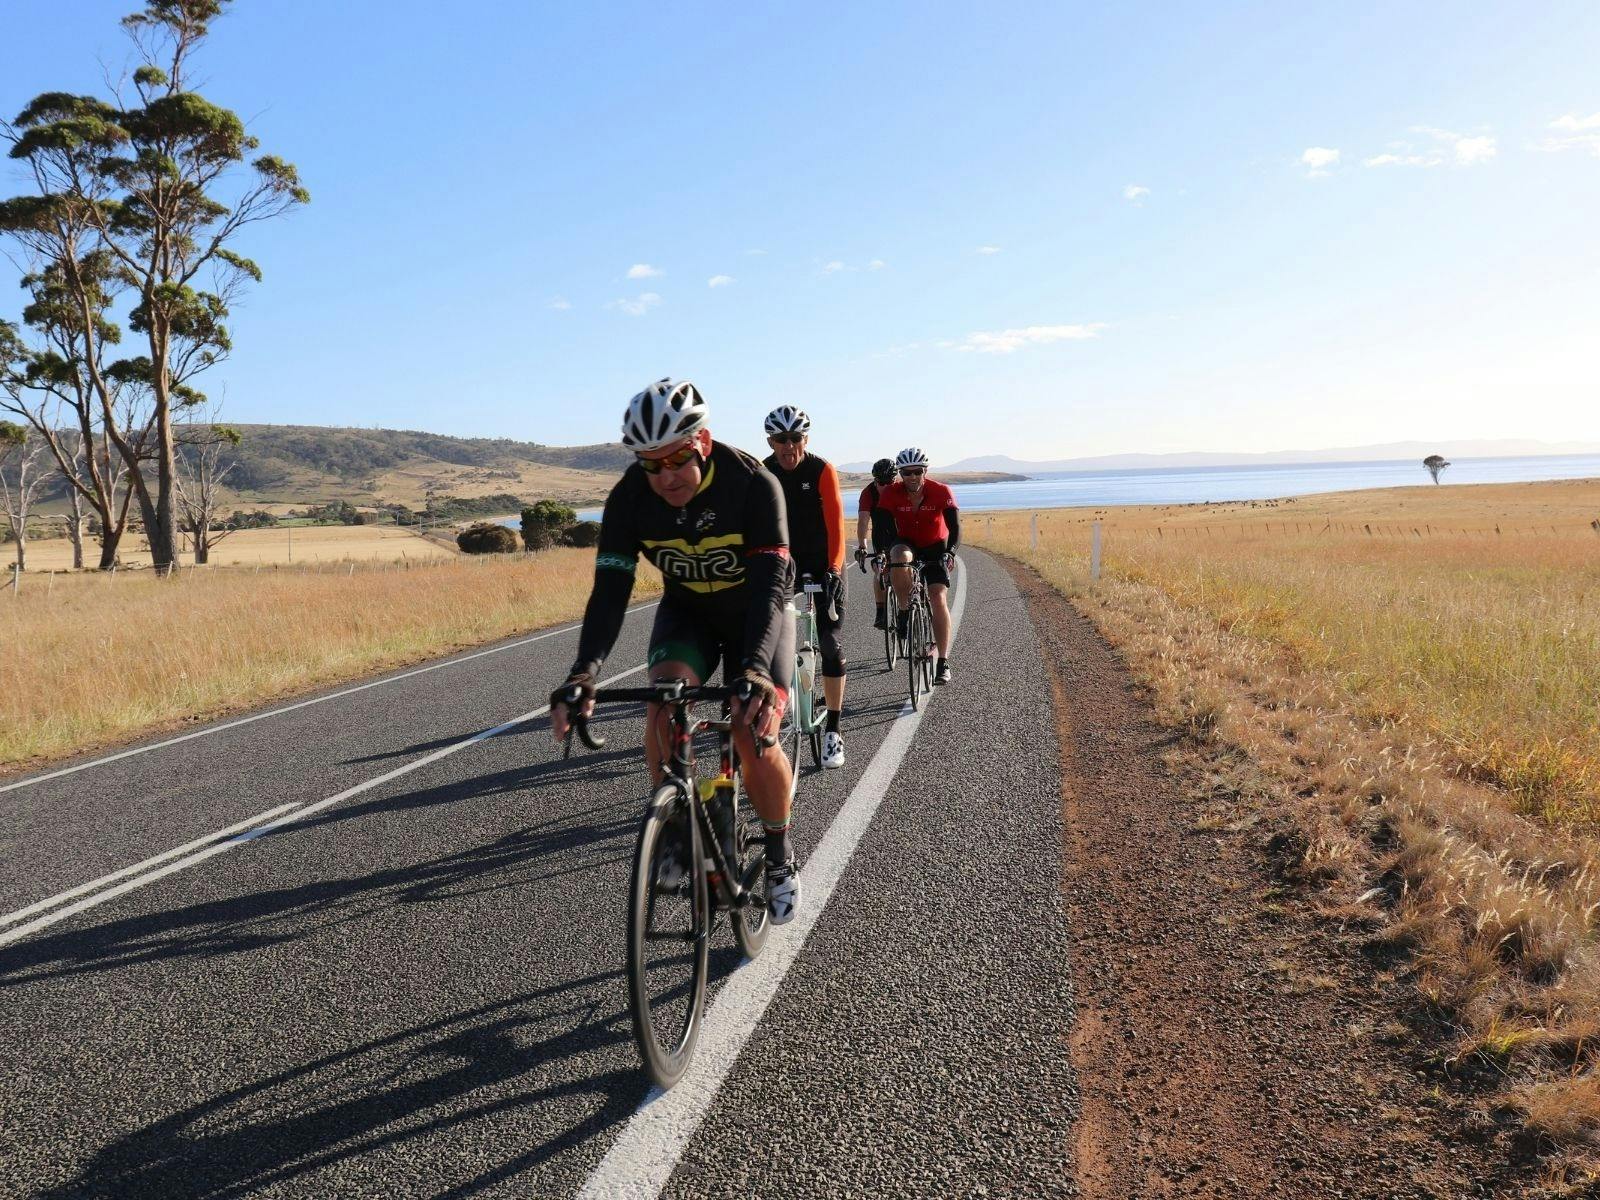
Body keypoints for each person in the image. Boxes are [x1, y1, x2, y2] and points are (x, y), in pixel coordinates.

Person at [550, 378, 802, 923]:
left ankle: (779, 856)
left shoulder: (753, 484)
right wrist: (584, 671)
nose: (666, 477)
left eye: (679, 460)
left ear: (703, 442)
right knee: (663, 705)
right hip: (688, 612)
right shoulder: (628, 499)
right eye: (651, 464)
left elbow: (768, 588)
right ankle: (672, 825)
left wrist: (756, 671)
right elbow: (610, 590)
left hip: (758, 616)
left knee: (752, 728)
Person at [761, 404, 848, 769]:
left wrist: (834, 569)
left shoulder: (821, 470)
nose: (788, 445)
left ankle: (832, 729)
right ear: (771, 441)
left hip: (822, 562)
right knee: (766, 640)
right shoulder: (763, 472)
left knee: (828, 643)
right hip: (784, 565)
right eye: (781, 439)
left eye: (795, 438)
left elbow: (837, 527)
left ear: (805, 439)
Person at [879, 446, 959, 685]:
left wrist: (950, 552)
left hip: (936, 546)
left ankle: (943, 662)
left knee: (937, 598)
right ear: (900, 474)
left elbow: (955, 527)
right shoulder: (891, 493)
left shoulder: (941, 491)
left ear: (925, 470)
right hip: (907, 543)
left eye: (917, 471)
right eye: (906, 472)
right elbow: (882, 529)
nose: (912, 477)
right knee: (898, 556)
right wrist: (882, 554)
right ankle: (905, 611)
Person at [853, 457, 900, 630]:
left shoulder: (901, 490)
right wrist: (862, 546)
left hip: (901, 534)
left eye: (890, 482)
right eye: (881, 482)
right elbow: (863, 521)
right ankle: (881, 612)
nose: (886, 487)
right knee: (879, 569)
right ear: (875, 480)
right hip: (880, 535)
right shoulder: (868, 493)